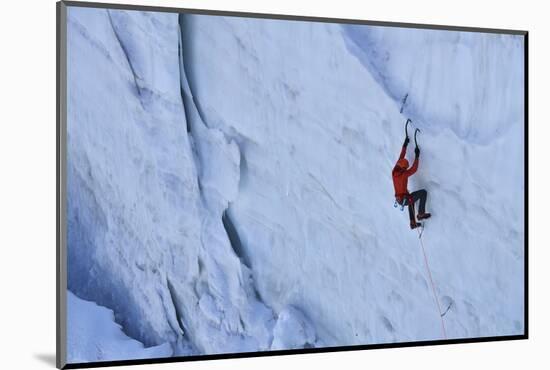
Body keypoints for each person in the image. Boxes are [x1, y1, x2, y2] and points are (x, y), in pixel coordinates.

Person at [392, 136, 431, 229]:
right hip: (404, 199)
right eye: (405, 168)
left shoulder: (394, 170)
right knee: (423, 193)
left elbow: (401, 156)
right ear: (403, 168)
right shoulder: (404, 174)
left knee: (411, 200)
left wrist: (405, 144)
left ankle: (412, 223)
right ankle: (421, 214)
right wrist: (417, 156)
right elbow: (414, 169)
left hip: (400, 199)